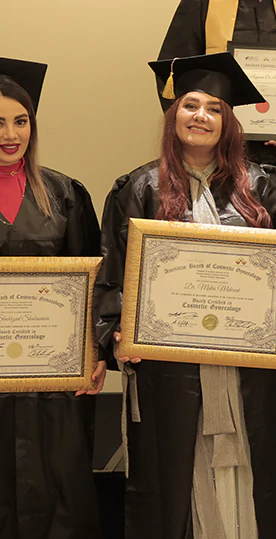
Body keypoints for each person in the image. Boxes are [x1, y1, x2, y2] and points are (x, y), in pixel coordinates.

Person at [93, 53, 276, 539]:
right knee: (173, 467)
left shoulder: (265, 186)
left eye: (214, 108)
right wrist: (118, 329)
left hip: (245, 362)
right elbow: (114, 270)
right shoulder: (138, 187)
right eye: (190, 105)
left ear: (229, 121)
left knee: (253, 466)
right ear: (174, 115)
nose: (201, 116)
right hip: (169, 363)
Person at [158, 0, 276, 417]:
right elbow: (176, 71)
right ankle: (208, 361)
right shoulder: (201, 4)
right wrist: (209, 118)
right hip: (211, 155)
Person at [0, 57, 105, 539]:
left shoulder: (63, 194)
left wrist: (96, 352)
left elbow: (91, 281)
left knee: (58, 486)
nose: (11, 133)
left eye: (21, 120)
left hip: (52, 376)